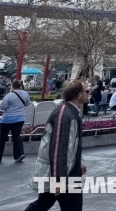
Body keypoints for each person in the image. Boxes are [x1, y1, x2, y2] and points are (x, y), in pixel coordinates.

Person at [25, 80, 89, 211]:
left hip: (66, 171)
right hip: (62, 173)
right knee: (53, 204)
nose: (89, 94)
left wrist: (79, 162)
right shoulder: (64, 113)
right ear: (78, 95)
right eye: (87, 91)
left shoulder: (71, 111)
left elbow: (72, 144)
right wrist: (58, 180)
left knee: (43, 203)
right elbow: (57, 149)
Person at [0, 79, 31, 163]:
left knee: (2, 138)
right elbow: (27, 103)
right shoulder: (25, 94)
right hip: (20, 118)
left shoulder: (9, 95)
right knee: (16, 136)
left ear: (12, 86)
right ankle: (19, 154)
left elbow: (2, 107)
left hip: (7, 119)